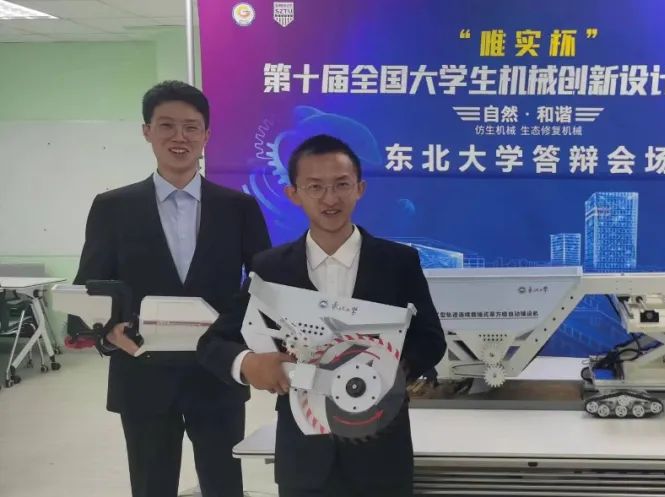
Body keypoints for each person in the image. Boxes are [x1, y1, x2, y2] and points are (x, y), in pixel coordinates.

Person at [196, 134, 447, 497]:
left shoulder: (398, 262)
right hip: (304, 457)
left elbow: (431, 339)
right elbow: (214, 343)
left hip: (380, 451)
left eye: (341, 184)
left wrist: (387, 369)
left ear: (359, 188)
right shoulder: (270, 268)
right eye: (315, 187)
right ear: (293, 194)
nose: (330, 198)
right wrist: (249, 364)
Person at [70, 80, 272, 497]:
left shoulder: (239, 208)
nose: (179, 137)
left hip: (217, 373)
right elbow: (90, 287)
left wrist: (239, 339)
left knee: (224, 485)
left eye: (191, 127)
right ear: (147, 131)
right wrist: (109, 332)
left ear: (206, 135)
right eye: (166, 125)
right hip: (142, 372)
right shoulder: (112, 207)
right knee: (151, 486)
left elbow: (262, 283)